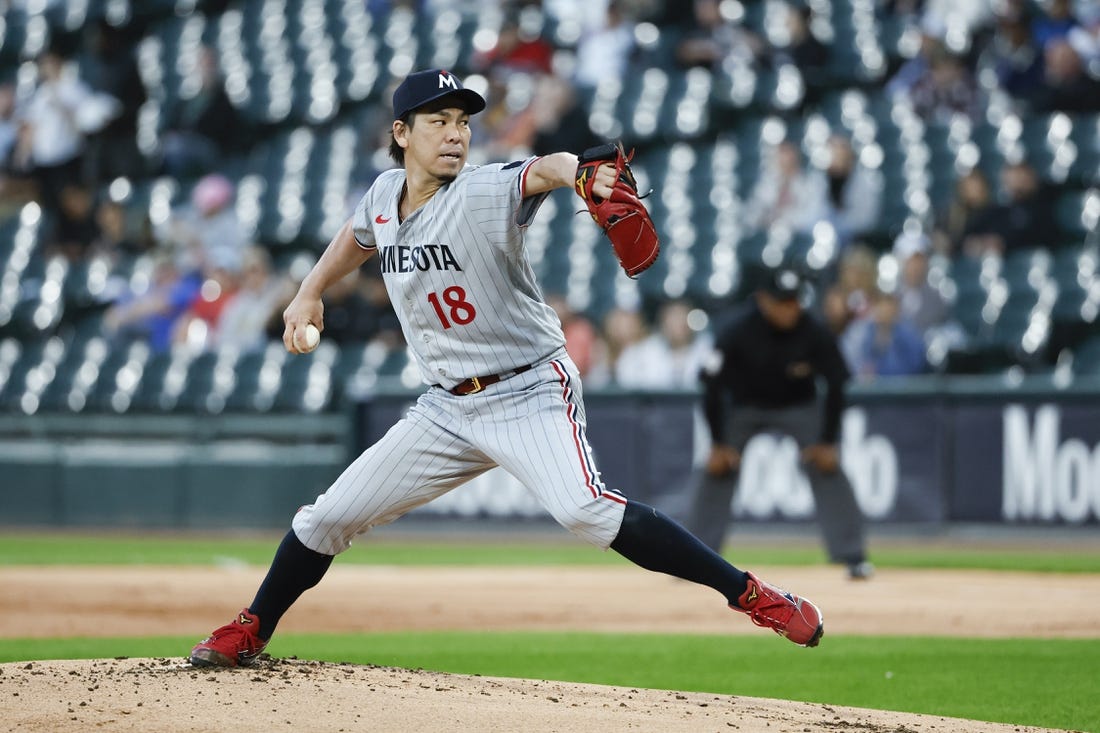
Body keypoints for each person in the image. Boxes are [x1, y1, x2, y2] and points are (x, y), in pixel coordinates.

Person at [188, 69, 824, 668]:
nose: (456, 132)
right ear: (401, 134)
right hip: (445, 409)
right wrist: (309, 290)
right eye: (438, 120)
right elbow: (358, 236)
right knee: (324, 519)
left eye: (462, 121)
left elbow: (543, 171)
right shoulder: (384, 195)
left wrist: (584, 178)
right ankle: (251, 628)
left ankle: (751, 594)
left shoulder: (480, 191)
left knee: (586, 511)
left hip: (527, 391)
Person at [684, 268, 873, 580]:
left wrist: (828, 440)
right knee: (717, 468)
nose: (789, 309)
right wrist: (717, 443)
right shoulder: (737, 330)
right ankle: (695, 558)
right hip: (746, 408)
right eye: (781, 302)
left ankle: (852, 555)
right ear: (763, 301)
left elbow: (838, 384)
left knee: (827, 466)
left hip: (799, 407)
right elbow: (711, 385)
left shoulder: (814, 331)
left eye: (794, 301)